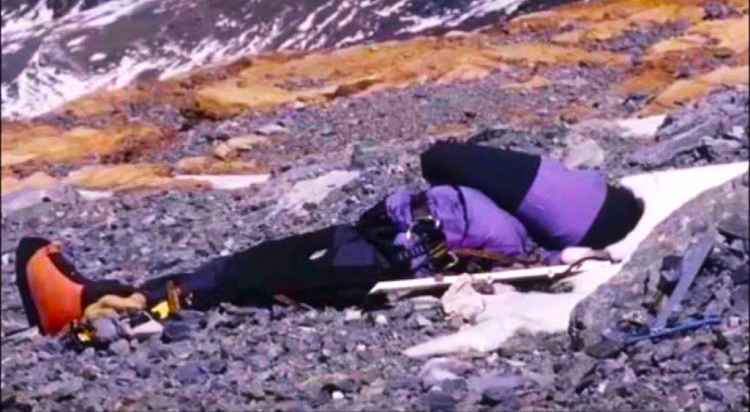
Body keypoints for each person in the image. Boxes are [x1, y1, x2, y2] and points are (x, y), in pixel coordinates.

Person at [15, 142, 644, 336]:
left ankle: (90, 310)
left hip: (369, 254)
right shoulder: (540, 220)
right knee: (242, 271)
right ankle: (107, 301)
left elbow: (439, 159)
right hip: (377, 243)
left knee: (238, 277)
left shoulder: (537, 210)